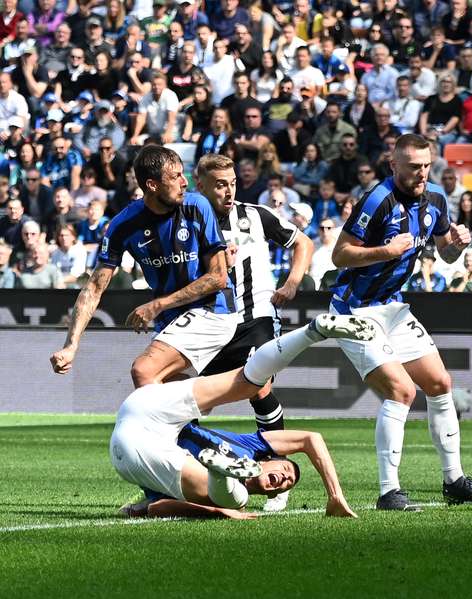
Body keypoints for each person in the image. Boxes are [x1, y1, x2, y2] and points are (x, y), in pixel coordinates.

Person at [328, 133, 472, 510]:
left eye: (425, 166)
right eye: (412, 167)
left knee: (440, 383)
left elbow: (446, 255)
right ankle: (389, 491)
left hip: (393, 305)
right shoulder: (377, 200)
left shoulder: (435, 197)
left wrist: (458, 244)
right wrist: (384, 251)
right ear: (394, 165)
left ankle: (454, 480)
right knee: (401, 391)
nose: (421, 174)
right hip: (355, 310)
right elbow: (340, 255)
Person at [113, 313, 374, 520]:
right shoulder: (251, 446)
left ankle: (221, 476)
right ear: (269, 459)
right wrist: (335, 495)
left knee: (236, 497)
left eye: (285, 486)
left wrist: (215, 511)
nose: (283, 479)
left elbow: (157, 507)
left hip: (138, 448)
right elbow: (311, 439)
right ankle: (314, 331)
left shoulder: (235, 489)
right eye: (285, 470)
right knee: (249, 382)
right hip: (149, 412)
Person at [50, 146, 236, 389]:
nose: (184, 182)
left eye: (183, 174)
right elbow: (94, 287)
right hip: (170, 317)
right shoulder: (124, 224)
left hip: (212, 308)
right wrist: (71, 345)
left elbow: (218, 278)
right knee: (160, 397)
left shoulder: (197, 206)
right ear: (152, 185)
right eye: (175, 177)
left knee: (143, 371)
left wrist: (157, 305)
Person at [194, 153, 313, 512]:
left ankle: (278, 474)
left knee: (258, 384)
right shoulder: (189, 220)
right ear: (200, 185)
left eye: (232, 183)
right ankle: (179, 472)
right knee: (186, 399)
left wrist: (292, 282)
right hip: (212, 323)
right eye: (219, 184)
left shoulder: (256, 215)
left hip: (258, 317)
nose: (228, 191)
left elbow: (303, 243)